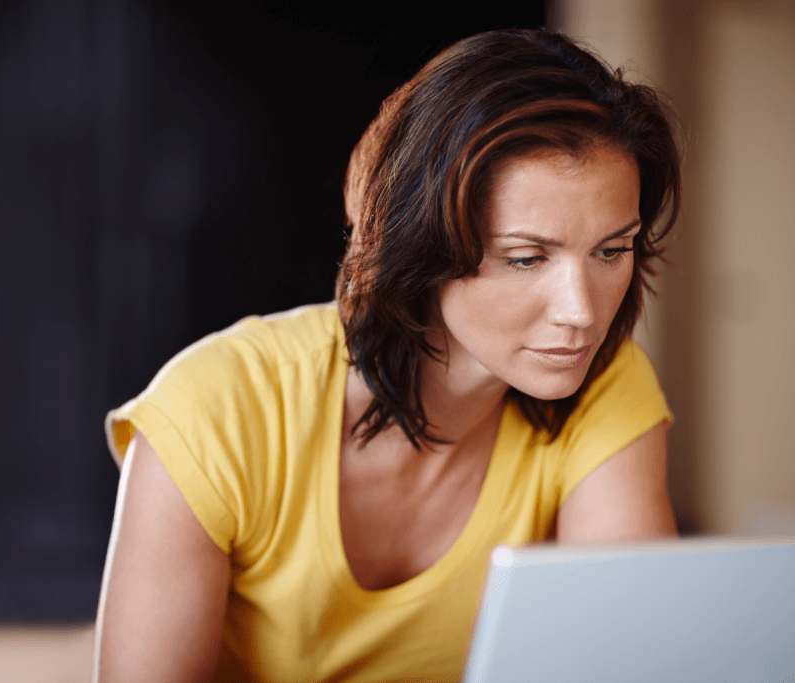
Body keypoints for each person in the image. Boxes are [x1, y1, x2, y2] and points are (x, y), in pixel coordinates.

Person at [92, 27, 682, 683]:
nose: (582, 310)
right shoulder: (216, 409)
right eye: (525, 257)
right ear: (420, 245)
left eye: (611, 250)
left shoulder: (608, 387)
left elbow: (628, 664)